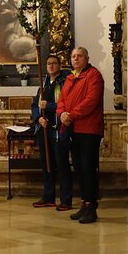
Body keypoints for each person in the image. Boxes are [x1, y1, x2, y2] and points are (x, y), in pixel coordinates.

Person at [57, 46, 104, 223]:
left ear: (87, 58)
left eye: (80, 56)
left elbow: (91, 100)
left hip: (89, 129)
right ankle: (84, 204)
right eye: (73, 56)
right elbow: (61, 100)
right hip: (72, 128)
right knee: (79, 168)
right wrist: (61, 114)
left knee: (88, 168)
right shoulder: (69, 78)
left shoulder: (93, 75)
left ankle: (91, 207)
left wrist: (71, 115)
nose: (76, 59)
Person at [31, 54, 72, 211]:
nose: (51, 66)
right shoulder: (44, 83)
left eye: (54, 63)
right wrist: (38, 119)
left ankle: (65, 199)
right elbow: (35, 105)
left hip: (58, 129)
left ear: (59, 65)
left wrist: (48, 107)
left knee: (61, 164)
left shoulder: (64, 83)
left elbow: (66, 105)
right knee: (46, 164)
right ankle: (48, 196)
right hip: (44, 129)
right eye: (49, 64)